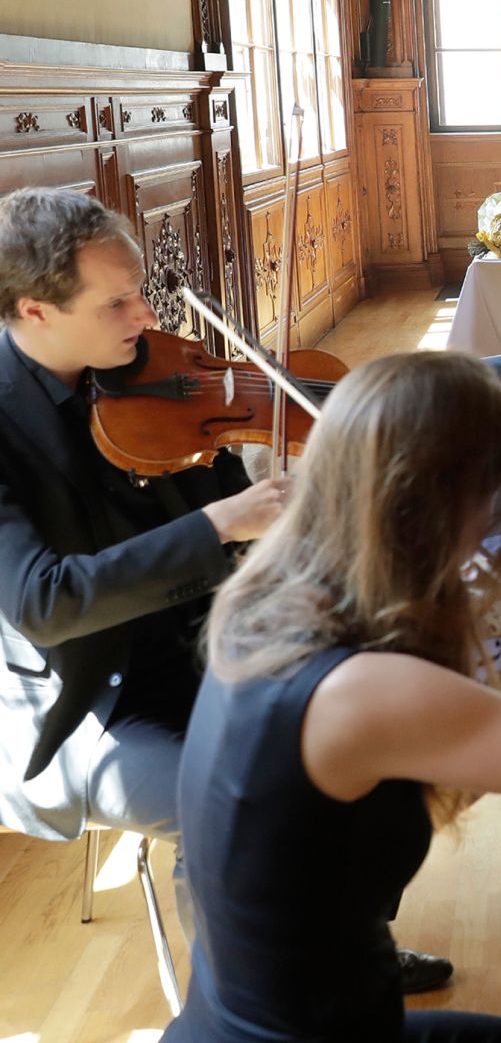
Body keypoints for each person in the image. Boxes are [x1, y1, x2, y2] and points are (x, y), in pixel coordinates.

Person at [0, 187, 451, 993]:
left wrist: (292, 481)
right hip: (92, 702)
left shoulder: (143, 372)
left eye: (140, 290)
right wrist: (220, 527)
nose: (145, 314)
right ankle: (246, 1013)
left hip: (207, 646)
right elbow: (45, 601)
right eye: (117, 303)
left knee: (376, 736)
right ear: (36, 312)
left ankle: (350, 954)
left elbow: (213, 497)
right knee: (238, 808)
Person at [167, 351, 501, 1043]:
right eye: (500, 500)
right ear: (445, 508)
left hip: (283, 1019)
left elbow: (420, 776)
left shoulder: (268, 601)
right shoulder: (362, 689)